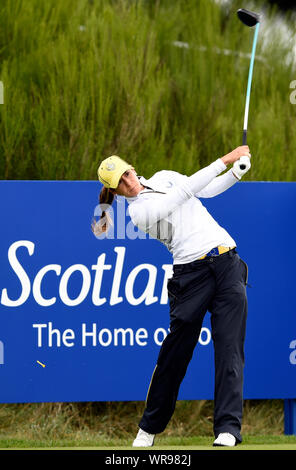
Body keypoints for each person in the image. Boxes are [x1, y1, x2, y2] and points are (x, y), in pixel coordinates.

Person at [92, 146, 251, 447]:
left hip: (228, 262)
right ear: (114, 191)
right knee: (175, 355)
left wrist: (235, 173)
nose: (128, 182)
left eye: (126, 174)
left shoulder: (164, 176)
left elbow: (206, 189)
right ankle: (148, 428)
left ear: (131, 167)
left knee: (230, 348)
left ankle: (228, 429)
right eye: (120, 184)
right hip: (190, 277)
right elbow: (183, 193)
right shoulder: (137, 213)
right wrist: (225, 158)